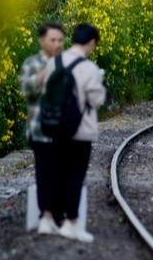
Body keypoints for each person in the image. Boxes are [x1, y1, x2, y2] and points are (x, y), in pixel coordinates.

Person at [42, 23, 106, 242]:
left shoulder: (54, 62)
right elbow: (97, 99)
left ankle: (54, 218)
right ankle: (71, 223)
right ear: (90, 42)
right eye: (94, 45)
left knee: (58, 173)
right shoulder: (88, 68)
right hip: (80, 131)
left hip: (55, 129)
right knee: (75, 177)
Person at [19, 22, 65, 234]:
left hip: (65, 129)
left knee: (62, 173)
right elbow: (25, 89)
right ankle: (45, 216)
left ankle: (58, 216)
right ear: (42, 41)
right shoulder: (33, 63)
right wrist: (45, 74)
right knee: (45, 172)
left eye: (60, 40)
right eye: (52, 40)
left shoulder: (67, 63)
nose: (57, 44)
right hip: (40, 129)